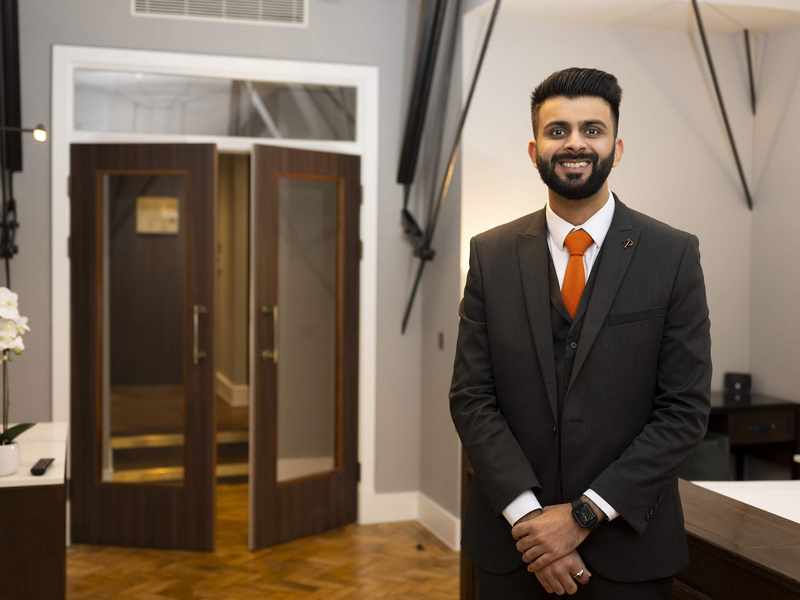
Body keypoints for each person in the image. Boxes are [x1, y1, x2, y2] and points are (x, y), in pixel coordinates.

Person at [449, 67, 712, 598]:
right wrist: (532, 522)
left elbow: (683, 410)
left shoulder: (673, 254)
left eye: (592, 130)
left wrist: (583, 516)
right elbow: (472, 398)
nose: (575, 143)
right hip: (514, 550)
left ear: (617, 147)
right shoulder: (490, 254)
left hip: (629, 551)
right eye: (558, 130)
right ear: (534, 149)